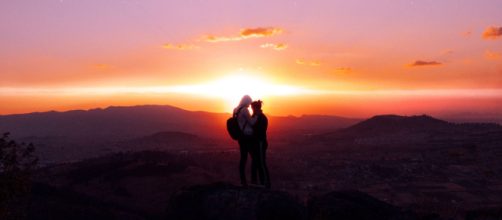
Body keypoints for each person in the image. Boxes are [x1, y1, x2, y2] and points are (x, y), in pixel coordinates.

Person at [234, 95, 257, 187]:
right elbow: (252, 122)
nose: (249, 105)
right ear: (247, 102)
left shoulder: (235, 109)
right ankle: (253, 180)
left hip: (241, 137)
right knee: (254, 157)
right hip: (248, 136)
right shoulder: (245, 110)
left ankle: (243, 180)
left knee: (243, 158)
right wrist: (256, 116)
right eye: (249, 103)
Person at [250, 100, 271, 188]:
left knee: (261, 163)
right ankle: (254, 182)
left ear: (256, 108)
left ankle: (266, 184)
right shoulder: (255, 117)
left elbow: (259, 132)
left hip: (260, 143)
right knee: (254, 163)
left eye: (253, 108)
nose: (252, 110)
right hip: (255, 144)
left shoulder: (262, 118)